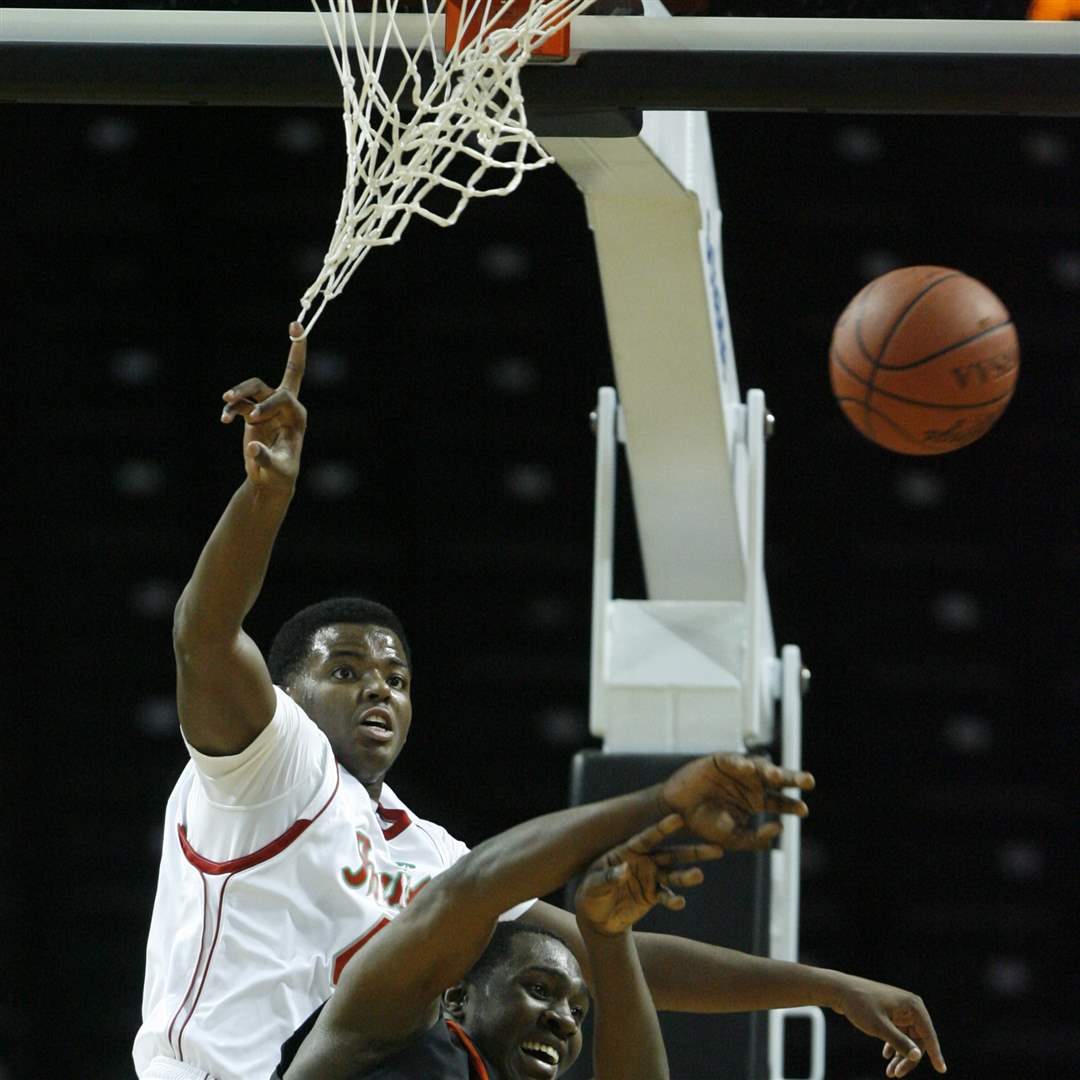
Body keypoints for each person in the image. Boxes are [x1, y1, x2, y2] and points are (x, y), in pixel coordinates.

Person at [134, 325, 945, 1080]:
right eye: (346, 670)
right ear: (287, 693)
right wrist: (265, 500)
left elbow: (612, 953)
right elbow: (202, 637)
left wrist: (828, 987)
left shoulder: (428, 849)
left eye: (398, 677)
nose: (379, 685)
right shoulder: (269, 765)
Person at [277, 793, 728, 1079]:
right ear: (456, 998)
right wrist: (659, 802)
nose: (565, 1020)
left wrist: (611, 939)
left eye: (578, 1010)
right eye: (538, 989)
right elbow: (470, 888)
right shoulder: (394, 1030)